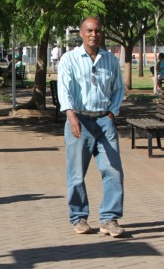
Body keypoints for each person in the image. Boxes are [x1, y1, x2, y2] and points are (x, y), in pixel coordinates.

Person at [57, 17, 126, 238]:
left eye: (97, 31)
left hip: (104, 121)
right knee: (76, 173)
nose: (93, 34)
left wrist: (113, 112)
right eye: (89, 30)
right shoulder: (69, 59)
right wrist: (71, 116)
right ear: (81, 33)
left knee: (113, 171)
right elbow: (64, 91)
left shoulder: (110, 60)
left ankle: (109, 219)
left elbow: (118, 89)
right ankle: (79, 217)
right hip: (79, 120)